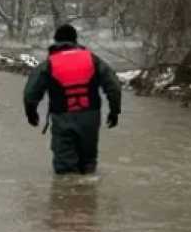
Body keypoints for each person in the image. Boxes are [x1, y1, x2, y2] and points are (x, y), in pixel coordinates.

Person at [23, 24, 122, 175]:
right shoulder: (92, 59)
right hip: (90, 117)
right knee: (88, 165)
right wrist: (114, 111)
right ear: (75, 41)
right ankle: (88, 195)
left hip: (63, 118)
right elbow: (113, 85)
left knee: (65, 170)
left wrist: (31, 113)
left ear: (56, 41)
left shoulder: (49, 64)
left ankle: (68, 195)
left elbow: (31, 93)